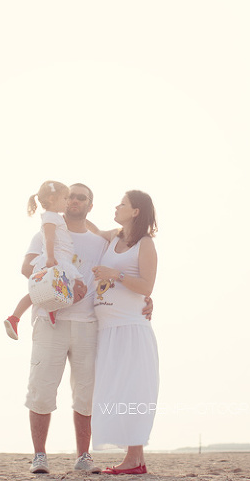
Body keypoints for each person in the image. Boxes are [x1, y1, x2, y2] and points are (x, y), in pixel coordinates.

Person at [20, 184, 153, 475]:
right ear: (64, 201)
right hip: (50, 320)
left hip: (89, 325)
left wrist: (145, 297)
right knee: (41, 390)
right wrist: (63, 283)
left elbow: (126, 268)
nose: (75, 200)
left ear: (90, 206)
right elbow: (27, 268)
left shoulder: (101, 242)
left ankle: (84, 455)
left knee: (86, 394)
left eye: (82, 197)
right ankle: (39, 456)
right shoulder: (47, 232)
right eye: (71, 196)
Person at [88, 190, 159, 475]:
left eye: (122, 204)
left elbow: (146, 287)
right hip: (108, 330)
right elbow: (88, 228)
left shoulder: (145, 244)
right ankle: (135, 460)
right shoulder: (113, 237)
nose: (116, 207)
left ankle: (134, 460)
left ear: (136, 212)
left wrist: (113, 274)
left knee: (133, 391)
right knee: (114, 392)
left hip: (131, 328)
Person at [4, 180, 83, 340]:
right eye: (65, 198)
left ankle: (50, 309)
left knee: (48, 290)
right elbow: (49, 237)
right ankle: (15, 317)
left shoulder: (55, 217)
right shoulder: (50, 217)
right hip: (56, 259)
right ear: (53, 199)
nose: (67, 202)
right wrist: (50, 257)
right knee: (65, 287)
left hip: (60, 259)